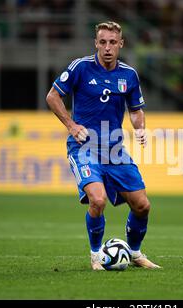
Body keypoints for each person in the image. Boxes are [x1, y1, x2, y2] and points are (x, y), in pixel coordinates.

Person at [46, 21, 161, 270]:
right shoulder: (81, 68)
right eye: (102, 42)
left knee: (142, 205)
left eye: (112, 42)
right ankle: (96, 255)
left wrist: (140, 128)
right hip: (84, 147)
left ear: (121, 44)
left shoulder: (128, 75)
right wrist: (71, 125)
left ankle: (135, 253)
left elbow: (136, 110)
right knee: (98, 200)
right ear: (95, 43)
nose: (107, 47)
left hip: (115, 150)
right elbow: (52, 96)